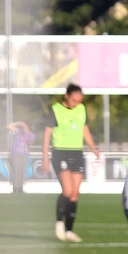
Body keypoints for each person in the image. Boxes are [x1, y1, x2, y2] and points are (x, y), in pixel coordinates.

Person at [42, 83, 100, 243]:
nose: (76, 104)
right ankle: (59, 222)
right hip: (60, 152)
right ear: (67, 96)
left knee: (75, 193)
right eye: (74, 100)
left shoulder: (81, 109)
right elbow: (47, 135)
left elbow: (84, 130)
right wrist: (45, 157)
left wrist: (94, 148)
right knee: (67, 191)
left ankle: (69, 231)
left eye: (79, 101)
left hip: (77, 152)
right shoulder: (55, 109)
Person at [6, 121, 34, 194]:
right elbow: (9, 126)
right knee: (16, 171)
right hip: (16, 154)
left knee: (21, 172)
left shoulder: (31, 135)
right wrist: (19, 123)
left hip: (24, 154)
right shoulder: (18, 132)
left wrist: (28, 140)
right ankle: (15, 188)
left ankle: (20, 188)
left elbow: (29, 144)